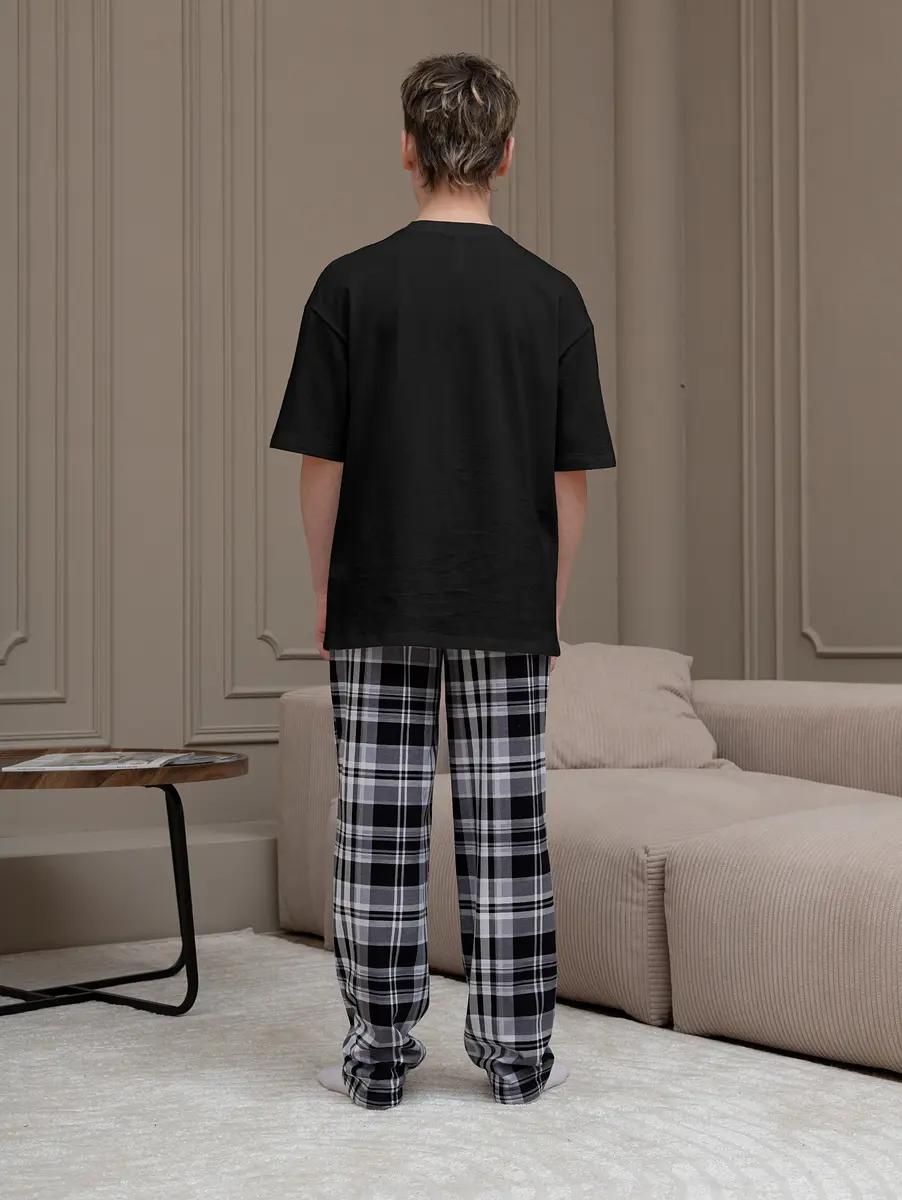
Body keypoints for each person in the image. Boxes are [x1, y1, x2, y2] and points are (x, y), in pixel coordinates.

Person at [270, 52, 615, 1111]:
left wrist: (325, 593)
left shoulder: (348, 285)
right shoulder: (551, 296)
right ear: (506, 154)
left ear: (407, 148)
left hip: (377, 595)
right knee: (506, 833)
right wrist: (546, 600)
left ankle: (376, 1061)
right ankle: (517, 1064)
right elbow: (568, 483)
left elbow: (321, 468)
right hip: (506, 599)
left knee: (376, 834)